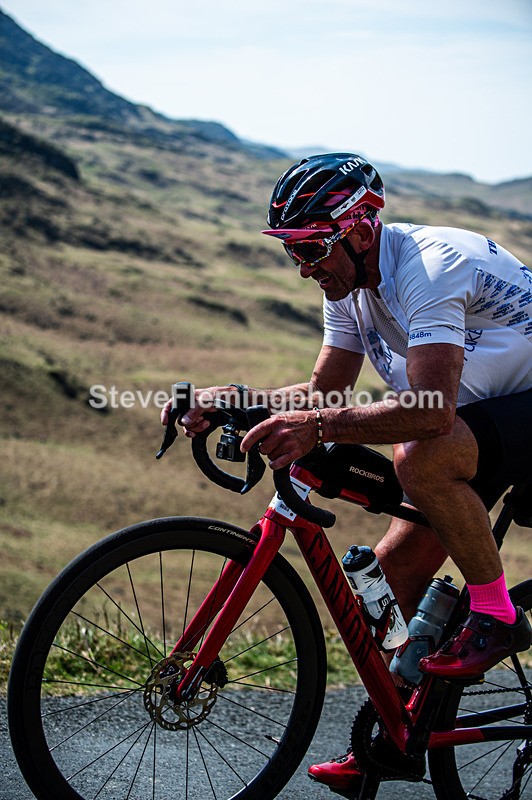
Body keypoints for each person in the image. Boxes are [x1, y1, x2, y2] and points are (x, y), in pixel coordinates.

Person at [162, 153, 532, 793]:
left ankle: (497, 614)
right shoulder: (349, 286)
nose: (304, 268)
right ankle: (397, 735)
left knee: (420, 456)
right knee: (391, 580)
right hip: (487, 419)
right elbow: (323, 393)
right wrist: (236, 399)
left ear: (360, 231)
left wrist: (319, 427)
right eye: (293, 251)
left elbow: (430, 412)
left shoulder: (429, 268)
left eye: (312, 248)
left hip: (502, 413)